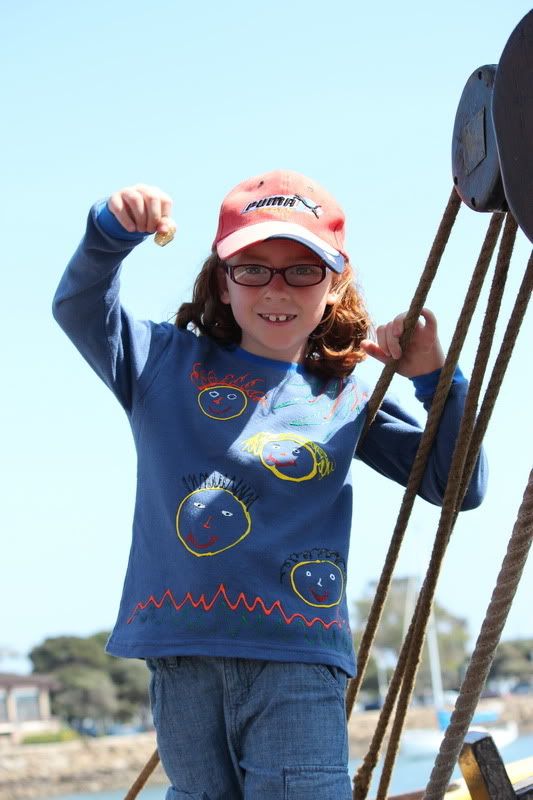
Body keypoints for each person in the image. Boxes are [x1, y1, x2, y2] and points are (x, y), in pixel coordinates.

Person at [52, 170, 487, 800]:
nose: (276, 288)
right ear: (222, 282)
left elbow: (457, 484)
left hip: (297, 661)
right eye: (253, 269)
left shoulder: (345, 397)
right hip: (180, 657)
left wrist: (434, 377)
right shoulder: (159, 361)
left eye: (302, 271)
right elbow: (79, 308)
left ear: (334, 285)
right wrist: (110, 231)